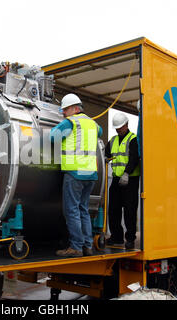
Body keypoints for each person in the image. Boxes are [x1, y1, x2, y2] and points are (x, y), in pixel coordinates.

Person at [50, 93, 103, 257]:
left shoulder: (70, 122)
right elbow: (100, 132)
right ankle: (87, 246)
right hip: (91, 174)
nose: (64, 113)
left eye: (65, 109)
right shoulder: (93, 124)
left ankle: (76, 247)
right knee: (83, 210)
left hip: (75, 173)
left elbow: (53, 137)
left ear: (75, 108)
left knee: (72, 211)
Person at [105, 112, 140, 249]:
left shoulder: (133, 139)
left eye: (120, 127)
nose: (118, 129)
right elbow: (106, 154)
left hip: (130, 179)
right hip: (116, 179)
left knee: (129, 210)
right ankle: (116, 237)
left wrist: (127, 173)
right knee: (113, 209)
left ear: (126, 124)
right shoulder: (113, 140)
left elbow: (134, 159)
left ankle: (130, 239)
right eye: (117, 127)